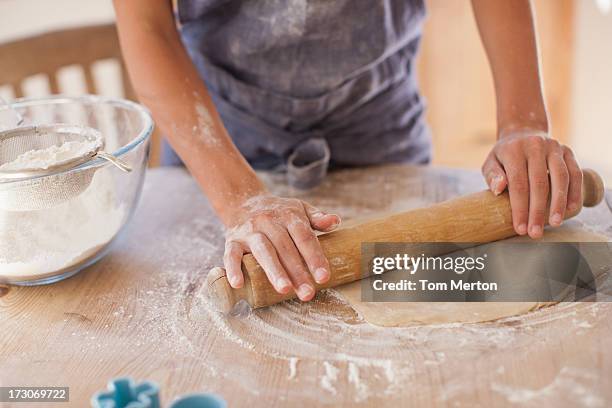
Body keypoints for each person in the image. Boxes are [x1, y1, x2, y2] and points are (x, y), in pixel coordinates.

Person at [113, 0, 583, 302]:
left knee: (408, 297)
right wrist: (240, 200)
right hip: (216, 136)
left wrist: (523, 121)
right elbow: (147, 25)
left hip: (378, 124)